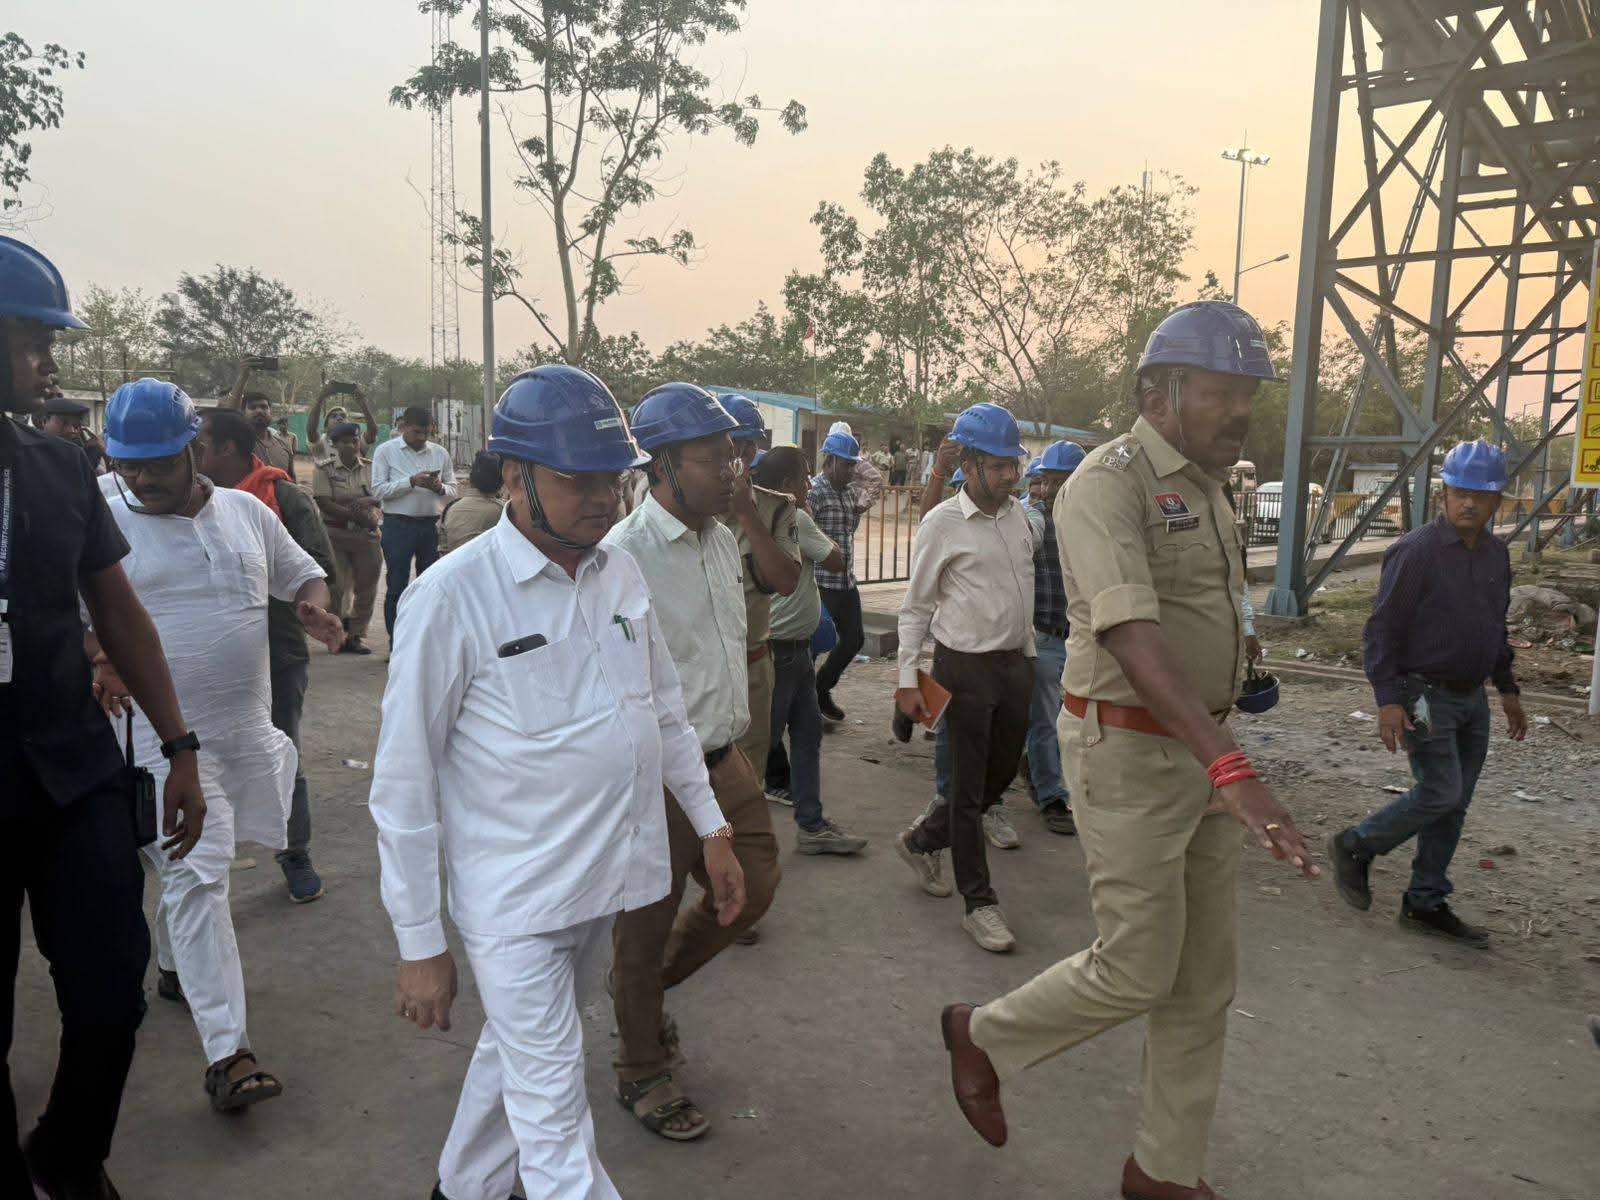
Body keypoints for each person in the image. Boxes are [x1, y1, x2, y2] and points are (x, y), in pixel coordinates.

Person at [934, 302, 1317, 1200]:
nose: (1239, 411)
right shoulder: (1106, 485)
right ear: (1158, 393)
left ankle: (1163, 1169)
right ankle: (981, 1036)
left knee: (1204, 980)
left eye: (1247, 395)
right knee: (1139, 964)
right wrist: (1234, 769)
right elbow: (1134, 634)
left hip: (1203, 746)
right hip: (1132, 752)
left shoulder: (1214, 487)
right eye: (1219, 392)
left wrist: (1232, 709)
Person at [370, 365, 744, 1200]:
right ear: (515, 476)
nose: (604, 498)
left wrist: (712, 828)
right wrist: (420, 941)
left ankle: (461, 1187)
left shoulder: (619, 575)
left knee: (520, 1050)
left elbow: (665, 713)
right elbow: (402, 782)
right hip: (517, 905)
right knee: (557, 1133)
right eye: (579, 480)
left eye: (613, 478)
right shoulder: (451, 599)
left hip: (604, 882)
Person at [1, 238, 207, 1200]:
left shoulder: (58, 470)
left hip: (70, 772)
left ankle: (69, 1154)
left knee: (110, 987)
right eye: (32, 338)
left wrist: (179, 747)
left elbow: (118, 613)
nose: (49, 361)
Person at [96, 378, 342, 1115]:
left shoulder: (245, 512)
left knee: (195, 878)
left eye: (156, 464)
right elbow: (60, 610)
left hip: (240, 731)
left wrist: (314, 608)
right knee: (198, 874)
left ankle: (176, 967)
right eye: (127, 465)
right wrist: (95, 655)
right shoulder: (100, 517)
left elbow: (303, 573)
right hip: (157, 742)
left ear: (194, 450)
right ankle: (229, 1054)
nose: (140, 480)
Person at [605, 382, 780, 1141]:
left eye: (736, 455)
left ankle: (639, 994)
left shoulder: (718, 539)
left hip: (722, 756)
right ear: (665, 466)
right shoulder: (624, 556)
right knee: (643, 923)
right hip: (656, 773)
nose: (734, 471)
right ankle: (641, 1066)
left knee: (755, 886)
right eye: (716, 459)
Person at [1328, 439, 1526, 947]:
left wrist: (1508, 689)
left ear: (1497, 501)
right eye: (1461, 493)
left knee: (1454, 803)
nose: (1469, 503)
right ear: (1444, 494)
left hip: (1472, 697)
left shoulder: (1497, 555)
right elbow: (1381, 630)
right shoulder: (1417, 551)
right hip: (1423, 694)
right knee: (1441, 791)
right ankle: (1356, 844)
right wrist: (1388, 700)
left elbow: (1493, 627)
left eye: (1481, 496)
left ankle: (1425, 901)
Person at [893, 403, 1034, 953]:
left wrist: (1028, 654)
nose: (1009, 475)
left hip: (1016, 664)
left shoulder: (1019, 516)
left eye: (1012, 464)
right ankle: (980, 904)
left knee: (998, 779)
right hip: (964, 667)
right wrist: (908, 679)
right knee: (969, 791)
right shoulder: (942, 523)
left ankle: (923, 840)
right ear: (969, 465)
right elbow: (915, 607)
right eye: (998, 465)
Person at [195, 407, 338, 902]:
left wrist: (308, 605)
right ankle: (201, 856)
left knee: (281, 753)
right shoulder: (184, 502)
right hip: (203, 659)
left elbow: (317, 567)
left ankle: (294, 851)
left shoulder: (281, 499)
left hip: (276, 651)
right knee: (197, 759)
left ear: (227, 449)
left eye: (200, 444)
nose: (191, 454)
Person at [754, 447, 866, 854]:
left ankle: (812, 825)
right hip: (783, 651)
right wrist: (818, 530)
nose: (808, 483)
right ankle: (736, 838)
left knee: (805, 734)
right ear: (787, 484)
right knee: (761, 745)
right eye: (803, 477)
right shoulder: (794, 517)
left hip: (791, 649)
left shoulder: (756, 515)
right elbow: (836, 560)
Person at [714, 394, 801, 797]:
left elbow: (786, 581)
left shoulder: (775, 509)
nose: (733, 459)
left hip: (750, 667)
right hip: (693, 671)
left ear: (751, 453)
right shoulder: (686, 510)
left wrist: (747, 514)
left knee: (746, 782)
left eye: (740, 450)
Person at [1023, 440, 1085, 837]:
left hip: (1084, 639)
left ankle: (1043, 770)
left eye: (1060, 481)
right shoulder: (1034, 520)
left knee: (1077, 721)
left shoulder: (1094, 523)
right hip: (1045, 637)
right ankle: (1051, 797)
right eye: (1047, 481)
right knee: (1045, 721)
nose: (1049, 490)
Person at [371, 406, 457, 639]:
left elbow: (453, 490)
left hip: (430, 527)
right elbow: (378, 491)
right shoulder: (386, 451)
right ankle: (397, 642)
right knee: (397, 586)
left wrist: (439, 487)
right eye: (417, 432)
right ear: (404, 427)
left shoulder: (440, 453)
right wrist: (410, 482)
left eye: (427, 433)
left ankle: (425, 642)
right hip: (397, 526)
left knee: (430, 587)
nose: (422, 438)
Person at [808, 430, 866, 721]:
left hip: (845, 582)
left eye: (853, 464)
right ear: (829, 461)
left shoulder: (849, 493)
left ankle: (821, 688)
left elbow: (847, 530)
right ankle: (805, 704)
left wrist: (858, 512)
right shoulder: (814, 491)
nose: (851, 470)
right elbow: (805, 532)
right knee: (813, 645)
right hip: (821, 583)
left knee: (854, 639)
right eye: (846, 464)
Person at [311, 422, 383, 654]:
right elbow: (324, 503)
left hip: (366, 536)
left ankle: (356, 635)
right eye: (345, 442)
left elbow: (381, 495)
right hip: (336, 535)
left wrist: (366, 505)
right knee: (336, 586)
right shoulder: (324, 469)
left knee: (367, 588)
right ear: (334, 445)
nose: (352, 446)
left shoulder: (371, 468)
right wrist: (356, 512)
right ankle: (337, 633)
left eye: (354, 441)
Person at [220, 361, 296, 474]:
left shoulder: (283, 445)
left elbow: (291, 479)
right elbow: (229, 415)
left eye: (264, 407)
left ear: (271, 411)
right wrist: (243, 376)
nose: (259, 410)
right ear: (242, 412)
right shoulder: (238, 440)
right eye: (253, 407)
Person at [439, 449, 505, 553]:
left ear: (470, 479)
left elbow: (443, 549)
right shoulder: (505, 512)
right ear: (502, 482)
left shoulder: (450, 509)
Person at [305, 381, 378, 462]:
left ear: (348, 423)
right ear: (326, 427)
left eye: (343, 416)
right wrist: (320, 399)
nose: (339, 418)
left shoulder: (356, 441)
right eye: (334, 416)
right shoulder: (322, 443)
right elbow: (311, 431)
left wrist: (363, 404)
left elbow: (372, 432)